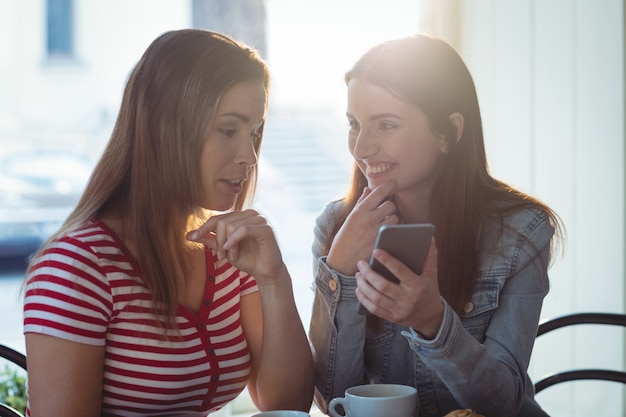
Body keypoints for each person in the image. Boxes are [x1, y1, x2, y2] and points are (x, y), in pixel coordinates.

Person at [23, 29, 313, 417]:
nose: (249, 156)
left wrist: (274, 280)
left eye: (254, 133)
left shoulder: (229, 252)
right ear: (165, 126)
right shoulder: (76, 268)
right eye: (229, 130)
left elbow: (286, 405)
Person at [309, 33, 564, 417]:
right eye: (354, 124)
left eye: (386, 125)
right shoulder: (335, 226)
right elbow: (334, 401)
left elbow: (504, 404)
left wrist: (433, 323)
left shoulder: (519, 232)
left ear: (448, 132)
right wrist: (341, 274)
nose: (361, 149)